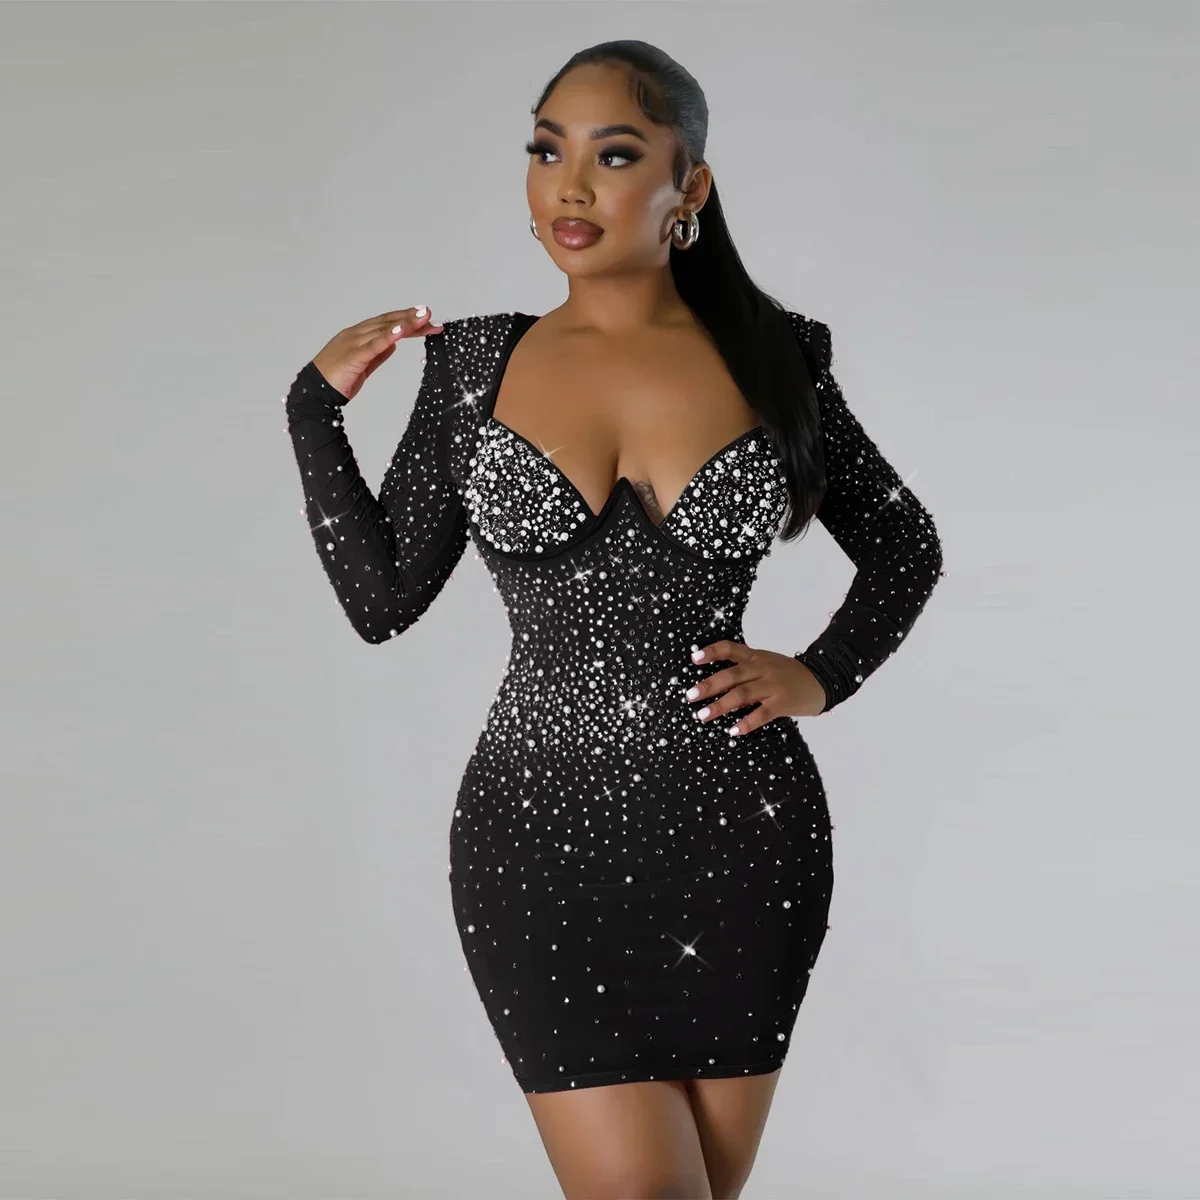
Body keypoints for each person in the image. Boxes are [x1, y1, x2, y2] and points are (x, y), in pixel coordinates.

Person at [283, 38, 943, 1200]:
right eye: (547, 152)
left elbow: (905, 545)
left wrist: (817, 674)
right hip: (536, 847)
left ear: (690, 186)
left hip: (744, 843)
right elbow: (382, 601)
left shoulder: (775, 359)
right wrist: (312, 415)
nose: (570, 186)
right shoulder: (473, 368)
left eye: (616, 155)